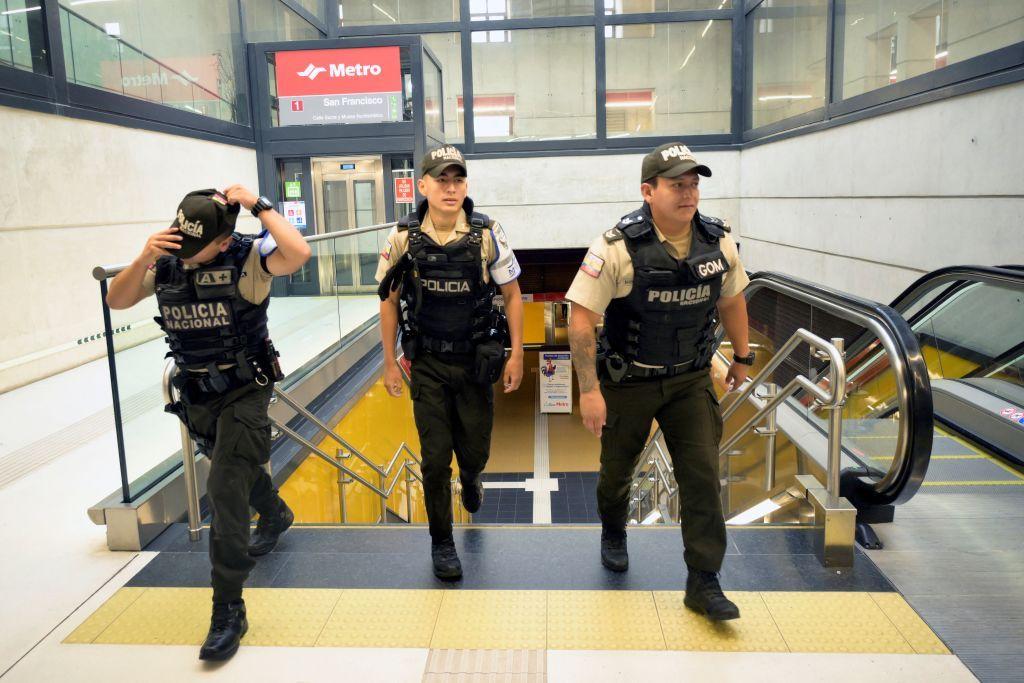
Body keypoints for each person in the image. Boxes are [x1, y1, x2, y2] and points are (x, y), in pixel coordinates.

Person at [106, 186, 312, 659]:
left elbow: (298, 251)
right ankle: (276, 513)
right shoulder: (167, 258)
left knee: (222, 487)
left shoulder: (248, 258)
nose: (187, 255)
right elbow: (118, 301)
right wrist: (143, 257)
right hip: (197, 394)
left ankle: (228, 609)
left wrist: (258, 204)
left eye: (197, 248)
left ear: (222, 242)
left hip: (245, 390)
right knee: (233, 473)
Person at [565, 143, 753, 621]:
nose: (689, 194)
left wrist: (743, 357)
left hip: (691, 379)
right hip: (630, 381)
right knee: (616, 471)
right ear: (648, 192)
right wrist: (589, 390)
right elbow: (582, 318)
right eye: (676, 185)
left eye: (693, 184)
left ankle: (703, 580)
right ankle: (613, 529)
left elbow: (731, 300)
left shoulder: (719, 243)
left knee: (702, 477)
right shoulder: (616, 248)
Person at [376, 145, 524, 580]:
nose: (450, 187)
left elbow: (513, 294)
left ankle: (473, 476)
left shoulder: (486, 232)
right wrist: (388, 362)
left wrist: (516, 353)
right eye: (441, 180)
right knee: (434, 460)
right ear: (422, 185)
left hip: (476, 362)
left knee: (473, 448)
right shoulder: (403, 237)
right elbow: (388, 300)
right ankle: (442, 542)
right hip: (427, 365)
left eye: (458, 180)